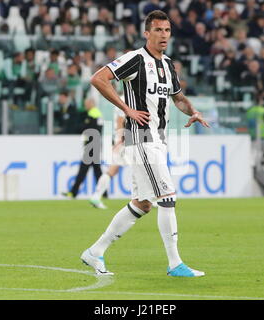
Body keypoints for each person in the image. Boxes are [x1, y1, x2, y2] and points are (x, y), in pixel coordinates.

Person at [82, 10, 209, 277]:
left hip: (157, 140)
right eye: (158, 30)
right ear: (146, 33)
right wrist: (127, 109)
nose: (164, 35)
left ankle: (94, 252)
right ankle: (175, 263)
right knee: (167, 196)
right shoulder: (135, 59)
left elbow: (178, 98)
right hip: (141, 138)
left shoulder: (168, 65)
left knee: (142, 203)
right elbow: (98, 79)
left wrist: (193, 111)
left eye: (167, 30)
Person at [62, 98, 104, 199]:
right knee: (97, 170)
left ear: (91, 103)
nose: (85, 106)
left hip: (91, 145)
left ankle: (73, 192)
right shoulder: (98, 113)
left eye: (86, 104)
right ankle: (103, 192)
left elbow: (87, 128)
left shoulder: (92, 114)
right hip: (96, 144)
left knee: (83, 170)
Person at [89, 107, 126, 209]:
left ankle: (96, 196)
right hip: (124, 142)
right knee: (113, 170)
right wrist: (121, 139)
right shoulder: (125, 99)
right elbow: (120, 120)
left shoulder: (124, 98)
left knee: (114, 170)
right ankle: (96, 196)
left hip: (124, 140)